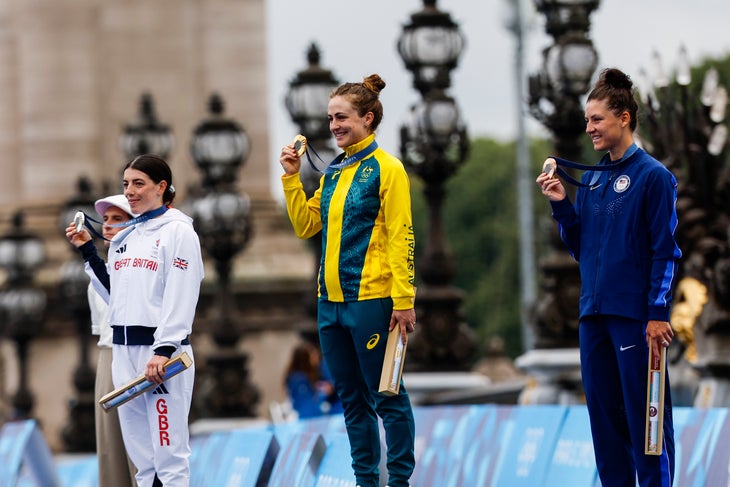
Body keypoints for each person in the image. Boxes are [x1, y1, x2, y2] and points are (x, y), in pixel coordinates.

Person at [536, 68, 681, 486]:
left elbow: (666, 252)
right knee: (605, 430)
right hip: (593, 318)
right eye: (587, 120)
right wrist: (563, 206)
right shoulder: (594, 179)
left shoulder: (654, 177)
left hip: (636, 318)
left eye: (597, 119)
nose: (589, 128)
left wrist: (657, 313)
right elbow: (585, 250)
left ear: (624, 118)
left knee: (647, 430)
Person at [279, 73, 417, 487]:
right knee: (352, 401)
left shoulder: (388, 169)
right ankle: (365, 482)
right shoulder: (335, 171)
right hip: (330, 303)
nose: (334, 125)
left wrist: (404, 298)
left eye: (342, 117)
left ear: (368, 118)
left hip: (373, 299)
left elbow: (402, 234)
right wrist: (290, 176)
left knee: (387, 395)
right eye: (330, 118)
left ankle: (400, 482)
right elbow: (306, 225)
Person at [67, 154, 204, 487]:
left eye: (138, 183)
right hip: (124, 354)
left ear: (161, 187)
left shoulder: (179, 233)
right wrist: (88, 251)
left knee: (169, 457)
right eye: (126, 183)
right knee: (143, 463)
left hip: (160, 357)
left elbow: (181, 295)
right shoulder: (125, 237)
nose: (129, 191)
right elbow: (116, 297)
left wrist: (164, 349)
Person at [67, 194, 138, 487]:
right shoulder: (105, 268)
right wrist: (87, 250)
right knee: (111, 450)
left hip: (137, 355)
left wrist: (88, 252)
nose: (107, 226)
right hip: (108, 355)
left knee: (142, 454)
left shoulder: (141, 266)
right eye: (105, 220)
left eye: (117, 220)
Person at [284, 341, 341, 419]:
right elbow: (306, 406)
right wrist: (323, 393)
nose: (317, 357)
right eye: (313, 355)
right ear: (305, 359)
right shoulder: (298, 379)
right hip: (308, 419)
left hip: (313, 417)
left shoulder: (313, 373)